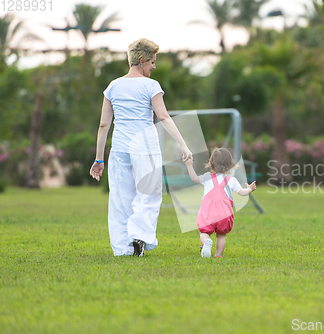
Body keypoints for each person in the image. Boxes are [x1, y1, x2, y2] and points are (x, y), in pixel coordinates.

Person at [90, 38, 192, 257]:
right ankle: (138, 236)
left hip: (119, 148)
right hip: (145, 146)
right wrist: (183, 145)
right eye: (153, 62)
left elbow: (103, 125)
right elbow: (163, 116)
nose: (154, 67)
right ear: (142, 60)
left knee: (120, 197)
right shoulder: (151, 86)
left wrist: (99, 159)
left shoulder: (113, 86)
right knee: (149, 194)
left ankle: (122, 249)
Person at [184, 148, 256, 258]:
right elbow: (242, 192)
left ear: (211, 163)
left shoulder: (207, 177)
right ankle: (218, 255)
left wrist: (189, 165)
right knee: (221, 236)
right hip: (224, 215)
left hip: (208, 213)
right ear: (230, 164)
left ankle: (206, 242)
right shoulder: (231, 180)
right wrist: (250, 189)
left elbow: (194, 178)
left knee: (204, 233)